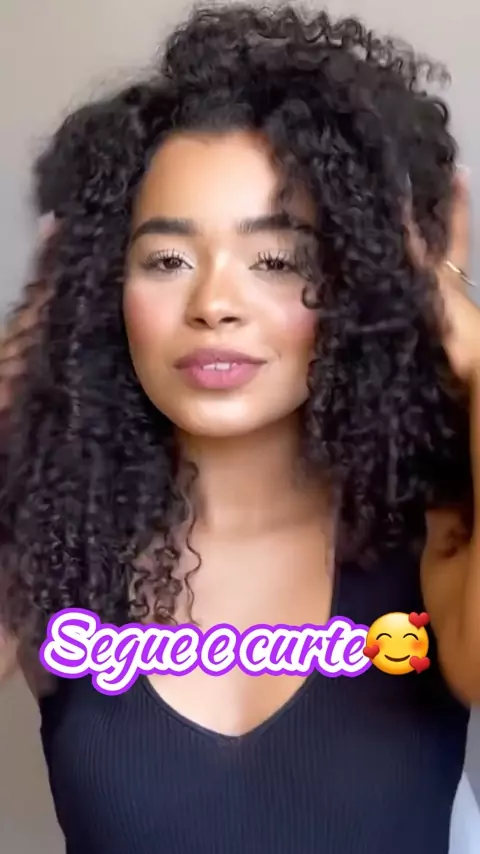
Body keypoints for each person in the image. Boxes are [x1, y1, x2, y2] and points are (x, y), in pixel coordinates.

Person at [0, 4, 479, 852]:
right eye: (167, 260)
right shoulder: (57, 545)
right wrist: (20, 378)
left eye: (278, 260)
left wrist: (465, 340)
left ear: (360, 280)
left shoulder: (435, 531)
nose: (215, 303)